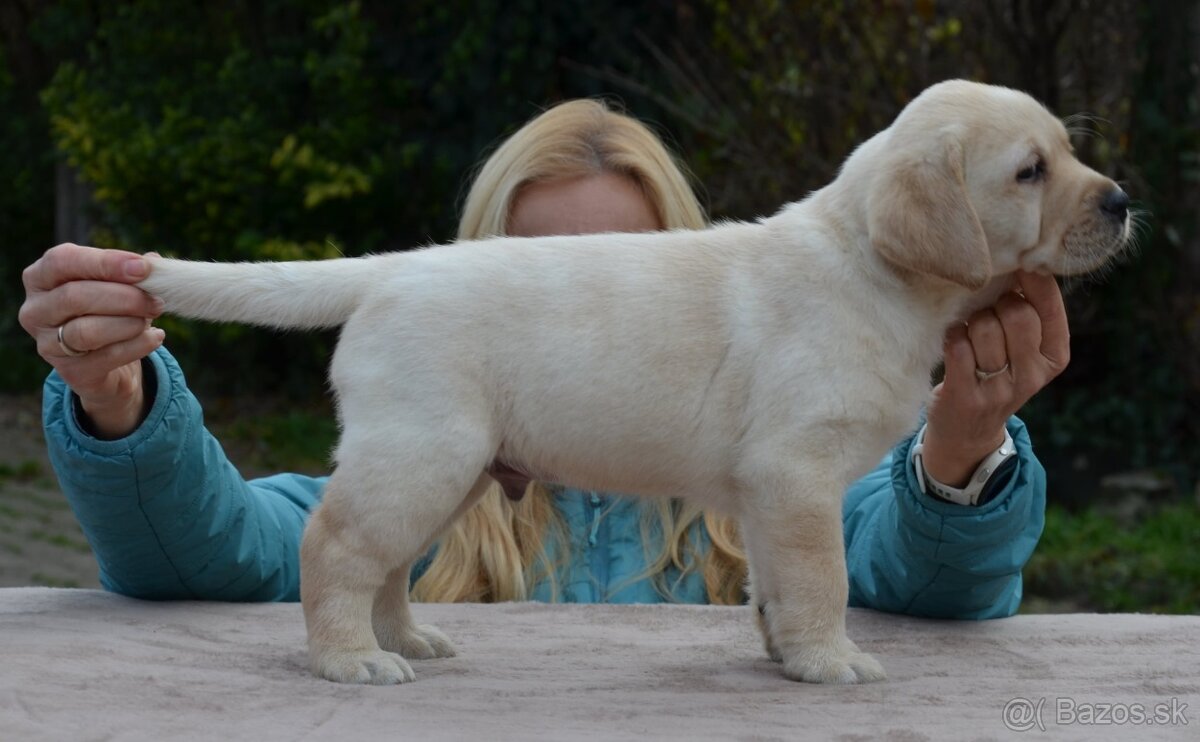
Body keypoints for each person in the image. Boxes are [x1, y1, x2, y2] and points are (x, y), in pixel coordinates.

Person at [20, 99, 1064, 616]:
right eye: (548, 278)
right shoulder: (448, 392)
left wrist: (961, 452)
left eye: (618, 274)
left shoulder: (791, 423)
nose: (585, 317)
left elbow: (919, 571)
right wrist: (123, 405)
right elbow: (210, 550)